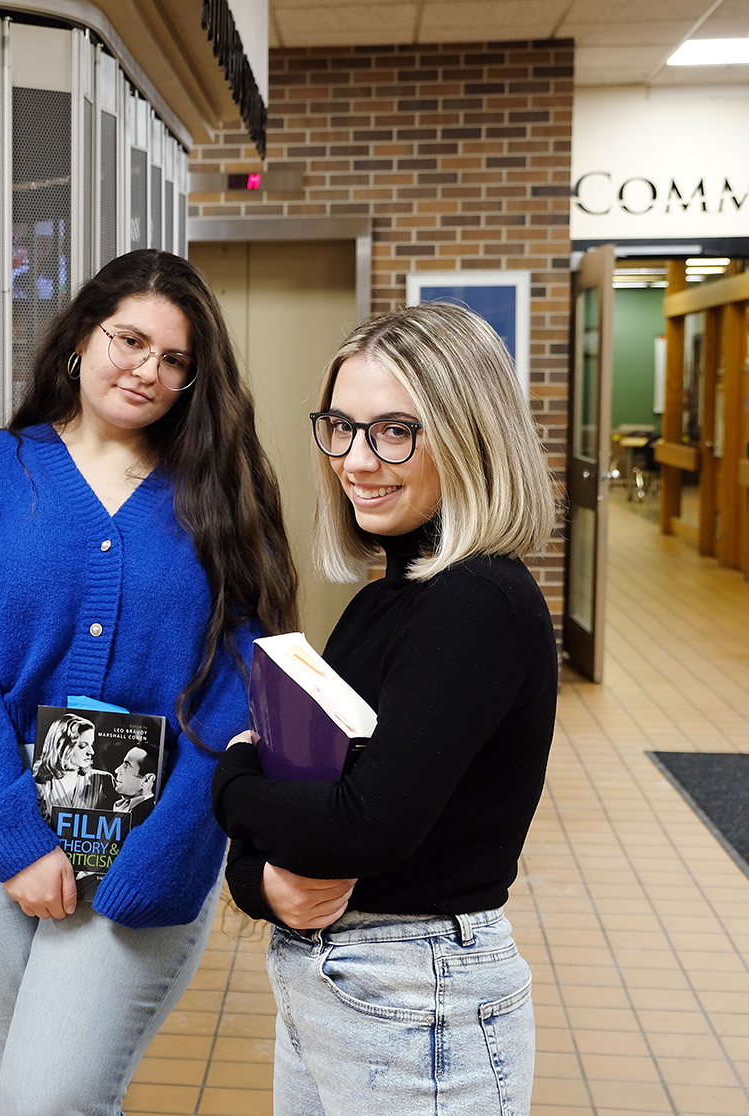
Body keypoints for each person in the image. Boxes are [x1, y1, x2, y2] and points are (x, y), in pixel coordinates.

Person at [0, 248, 297, 1114]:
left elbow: (242, 686)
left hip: (149, 831)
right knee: (28, 1101)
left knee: (50, 1099)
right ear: (83, 337)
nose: (147, 371)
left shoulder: (223, 493)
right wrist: (13, 839)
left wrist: (167, 852)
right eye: (131, 341)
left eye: (174, 360)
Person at [211, 302, 559, 1116]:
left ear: (469, 436)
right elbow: (301, 795)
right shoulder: (384, 602)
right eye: (340, 427)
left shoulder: (478, 603)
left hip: (417, 993)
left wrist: (226, 782)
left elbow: (359, 826)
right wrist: (260, 881)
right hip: (338, 985)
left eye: (394, 431)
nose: (356, 460)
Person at [32, 712, 110, 818]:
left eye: (91, 744)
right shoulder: (38, 784)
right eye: (83, 745)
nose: (91, 752)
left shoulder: (103, 780)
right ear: (63, 746)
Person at [111, 743, 158, 822]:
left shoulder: (149, 814)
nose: (117, 770)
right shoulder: (118, 804)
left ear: (147, 779)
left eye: (127, 765)